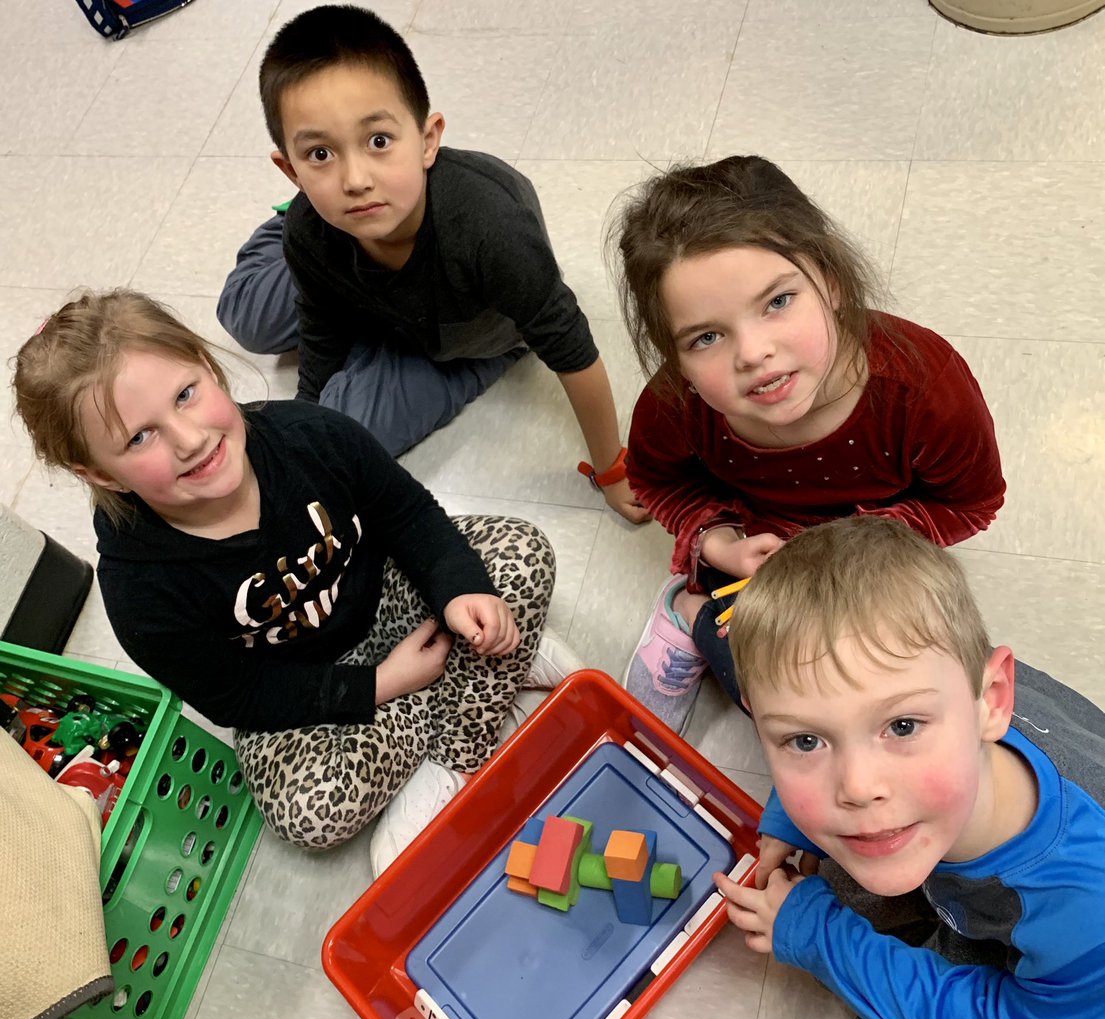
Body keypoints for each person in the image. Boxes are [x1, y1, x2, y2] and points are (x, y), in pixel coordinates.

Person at [13, 290, 564, 877]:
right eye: (139, 437)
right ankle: (485, 677)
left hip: (388, 598)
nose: (190, 439)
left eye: (185, 394)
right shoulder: (139, 591)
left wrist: (460, 591)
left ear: (208, 366)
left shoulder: (312, 435)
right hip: (297, 685)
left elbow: (408, 514)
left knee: (520, 556)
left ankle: (456, 753)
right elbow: (238, 696)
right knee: (309, 814)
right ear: (101, 474)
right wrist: (381, 683)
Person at [711, 515, 1105, 1019]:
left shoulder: (1088, 907)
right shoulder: (935, 685)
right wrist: (789, 816)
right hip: (985, 846)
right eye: (805, 740)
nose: (857, 786)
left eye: (901, 727)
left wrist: (819, 936)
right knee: (839, 871)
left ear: (991, 701)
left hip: (1045, 951)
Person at [612, 155, 1005, 732]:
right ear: (675, 356)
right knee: (777, 700)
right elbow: (659, 482)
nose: (753, 353)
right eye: (707, 337)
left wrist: (858, 550)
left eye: (777, 302)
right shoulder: (676, 405)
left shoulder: (925, 388)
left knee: (913, 694)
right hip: (756, 557)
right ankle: (690, 612)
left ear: (831, 279)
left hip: (876, 555)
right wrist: (720, 545)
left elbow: (971, 502)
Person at [217, 3, 646, 523]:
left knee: (346, 439)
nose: (355, 180)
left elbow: (573, 350)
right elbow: (320, 326)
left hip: (462, 340)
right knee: (247, 317)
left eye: (379, 142)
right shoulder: (312, 229)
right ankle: (291, 221)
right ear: (290, 170)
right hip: (347, 266)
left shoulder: (491, 229)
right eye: (320, 155)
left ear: (427, 139)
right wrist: (309, 410)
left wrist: (612, 470)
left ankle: (394, 322)